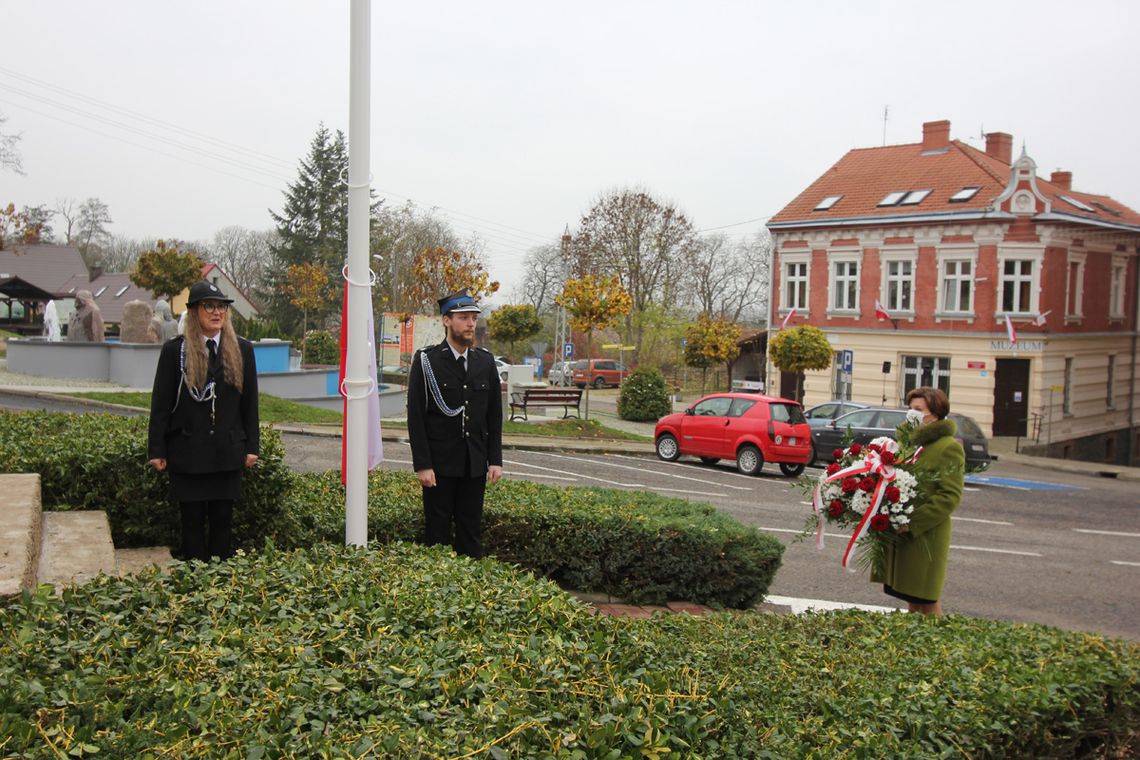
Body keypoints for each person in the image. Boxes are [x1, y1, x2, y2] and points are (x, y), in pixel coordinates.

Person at [147, 281, 260, 561]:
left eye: (221, 306)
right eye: (208, 306)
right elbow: (160, 403)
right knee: (192, 525)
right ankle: (195, 585)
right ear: (195, 311)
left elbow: (250, 403)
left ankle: (219, 588)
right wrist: (156, 449)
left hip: (227, 452)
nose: (216, 312)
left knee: (223, 523)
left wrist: (252, 446)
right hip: (188, 453)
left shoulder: (242, 350)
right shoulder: (175, 351)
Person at [406, 288, 503, 558]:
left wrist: (495, 459)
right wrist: (423, 465)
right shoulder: (428, 361)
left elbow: (494, 415)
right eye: (463, 317)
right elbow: (416, 417)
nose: (471, 323)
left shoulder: (485, 361)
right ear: (446, 320)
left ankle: (470, 590)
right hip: (439, 466)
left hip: (474, 463)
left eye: (473, 317)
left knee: (470, 532)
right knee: (436, 534)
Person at [872, 386, 965, 615]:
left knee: (926, 597)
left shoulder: (948, 447)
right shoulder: (910, 443)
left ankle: (936, 644)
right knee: (911, 594)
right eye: (910, 408)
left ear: (933, 413)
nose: (911, 413)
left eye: (917, 409)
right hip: (904, 532)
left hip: (926, 534)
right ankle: (917, 643)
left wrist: (912, 523)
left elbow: (949, 496)